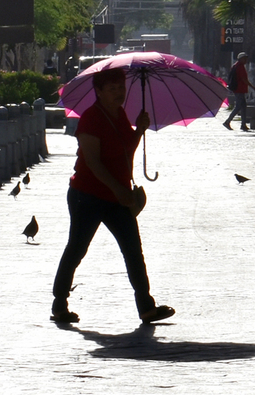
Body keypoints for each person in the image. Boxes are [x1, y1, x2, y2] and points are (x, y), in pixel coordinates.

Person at [51, 67, 175, 326]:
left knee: (133, 249)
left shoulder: (120, 114)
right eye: (112, 89)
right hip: (87, 195)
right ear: (99, 91)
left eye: (121, 87)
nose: (119, 93)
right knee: (77, 248)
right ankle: (60, 303)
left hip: (118, 197)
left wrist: (139, 130)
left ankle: (146, 306)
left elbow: (125, 151)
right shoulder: (91, 118)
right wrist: (117, 189)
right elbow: (93, 162)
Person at [223, 53, 250, 130]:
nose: (246, 60)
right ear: (240, 59)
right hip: (239, 89)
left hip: (239, 89)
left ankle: (243, 124)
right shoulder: (240, 67)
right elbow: (243, 79)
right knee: (238, 106)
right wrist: (252, 86)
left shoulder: (236, 66)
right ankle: (227, 121)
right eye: (244, 59)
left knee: (243, 106)